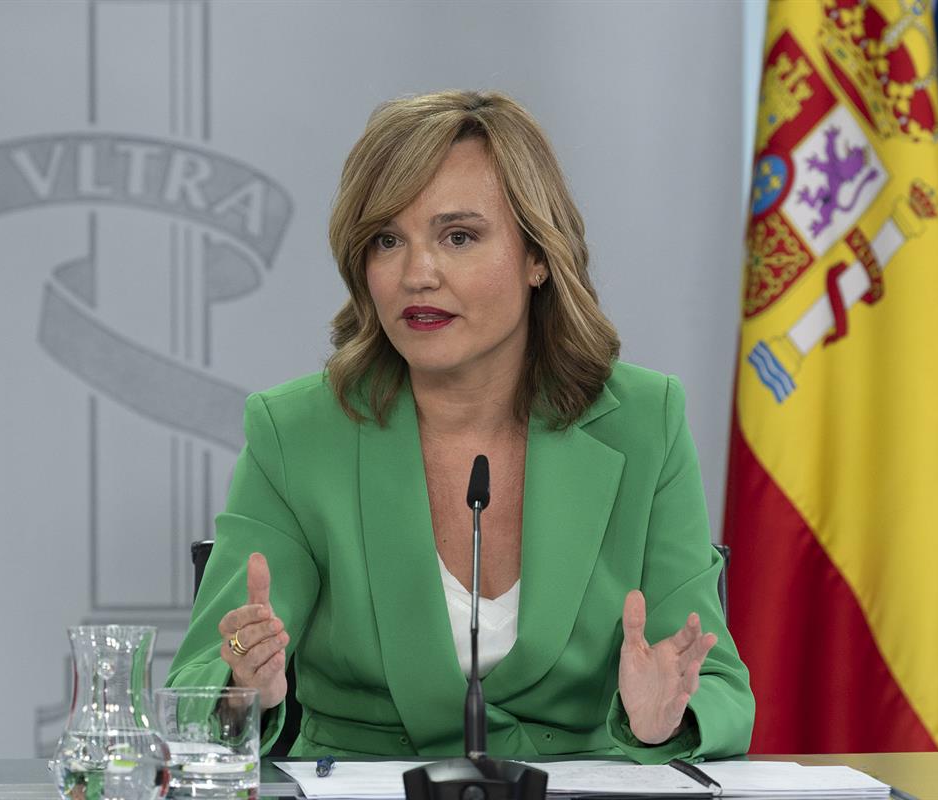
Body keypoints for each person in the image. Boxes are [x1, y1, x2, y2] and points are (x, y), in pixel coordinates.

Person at [167, 89, 754, 762]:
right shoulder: (296, 433)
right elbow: (197, 684)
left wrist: (663, 719)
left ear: (538, 256)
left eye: (459, 237)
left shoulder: (644, 424)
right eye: (388, 240)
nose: (418, 274)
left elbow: (718, 687)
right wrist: (243, 678)